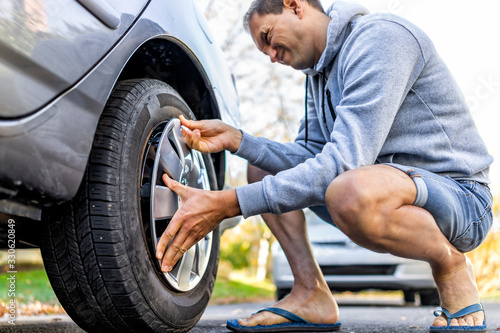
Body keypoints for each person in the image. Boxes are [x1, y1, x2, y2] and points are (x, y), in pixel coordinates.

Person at [155, 0, 494, 332]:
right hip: (388, 191)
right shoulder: (317, 76)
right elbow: (311, 155)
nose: (272, 57)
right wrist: (240, 141)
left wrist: (230, 203)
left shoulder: (380, 38)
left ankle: (451, 265)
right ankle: (310, 294)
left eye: (269, 38)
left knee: (348, 188)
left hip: (460, 199)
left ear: (294, 5)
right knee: (263, 168)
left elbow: (343, 164)